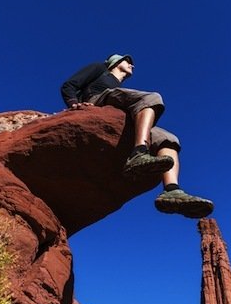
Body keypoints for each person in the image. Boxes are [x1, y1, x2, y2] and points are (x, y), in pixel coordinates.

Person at [60, 53, 214, 218]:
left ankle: (172, 191)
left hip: (125, 116)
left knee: (168, 139)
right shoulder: (100, 69)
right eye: (128, 61)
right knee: (151, 98)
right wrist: (74, 104)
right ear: (115, 62)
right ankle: (139, 152)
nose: (132, 65)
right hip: (99, 101)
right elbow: (69, 85)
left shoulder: (119, 86)